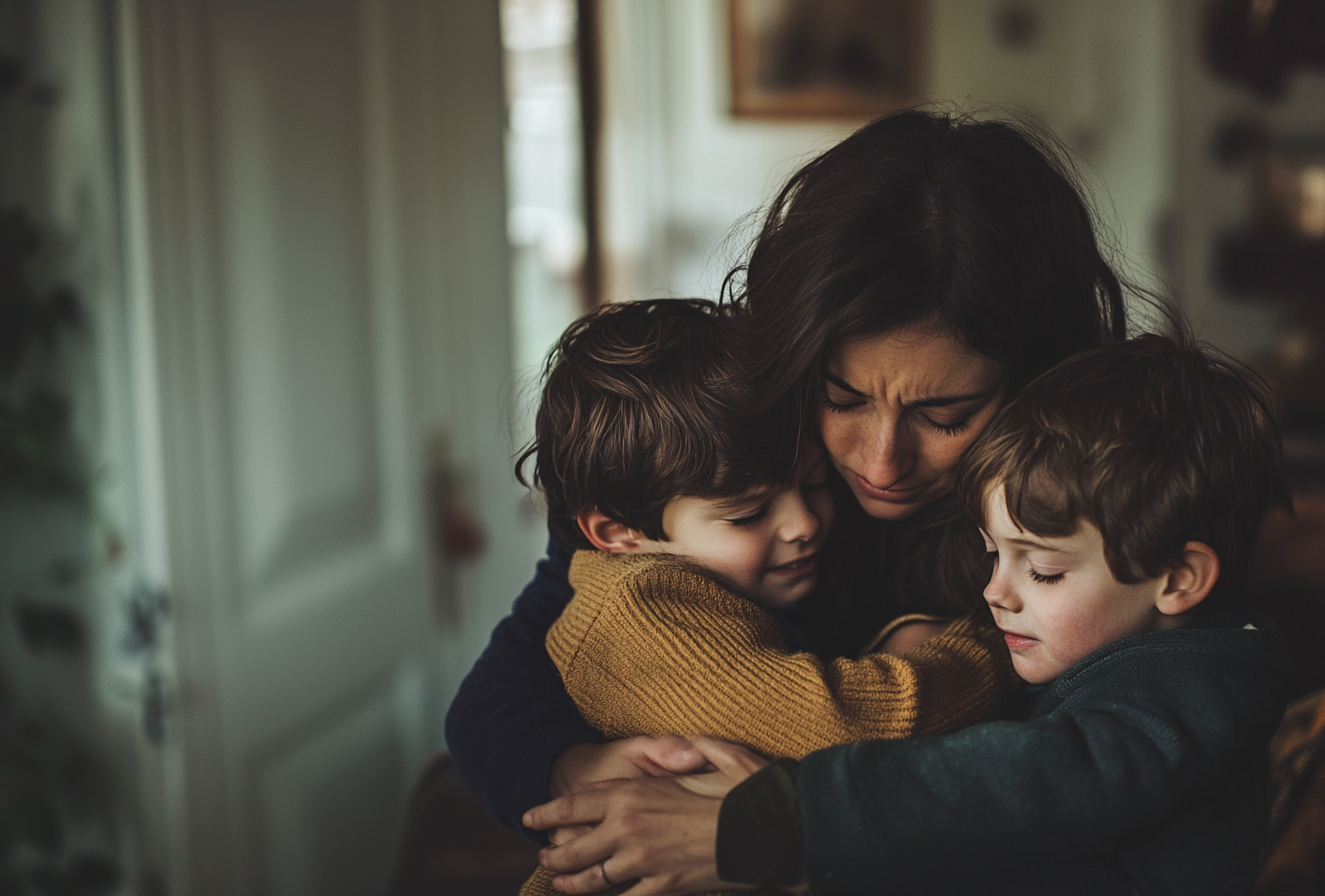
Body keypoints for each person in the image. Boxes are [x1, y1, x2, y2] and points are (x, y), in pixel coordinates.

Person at [445, 108, 1130, 893]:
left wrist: (772, 834)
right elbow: (494, 698)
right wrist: (579, 768)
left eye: (946, 418)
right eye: (841, 398)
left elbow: (1084, 788)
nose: (881, 462)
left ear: (1031, 384)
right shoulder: (713, 447)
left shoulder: (1087, 523)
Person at [530, 334, 1292, 894]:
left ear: (1180, 578)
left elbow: (1035, 780)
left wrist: (794, 820)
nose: (995, 593)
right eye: (994, 556)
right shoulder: (636, 602)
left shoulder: (1195, 693)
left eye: (1045, 568)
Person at [514, 298, 1017, 895]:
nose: (803, 523)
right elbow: (844, 727)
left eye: (811, 483)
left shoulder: (703, 583)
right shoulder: (642, 613)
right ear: (619, 533)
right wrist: (986, 641)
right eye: (750, 513)